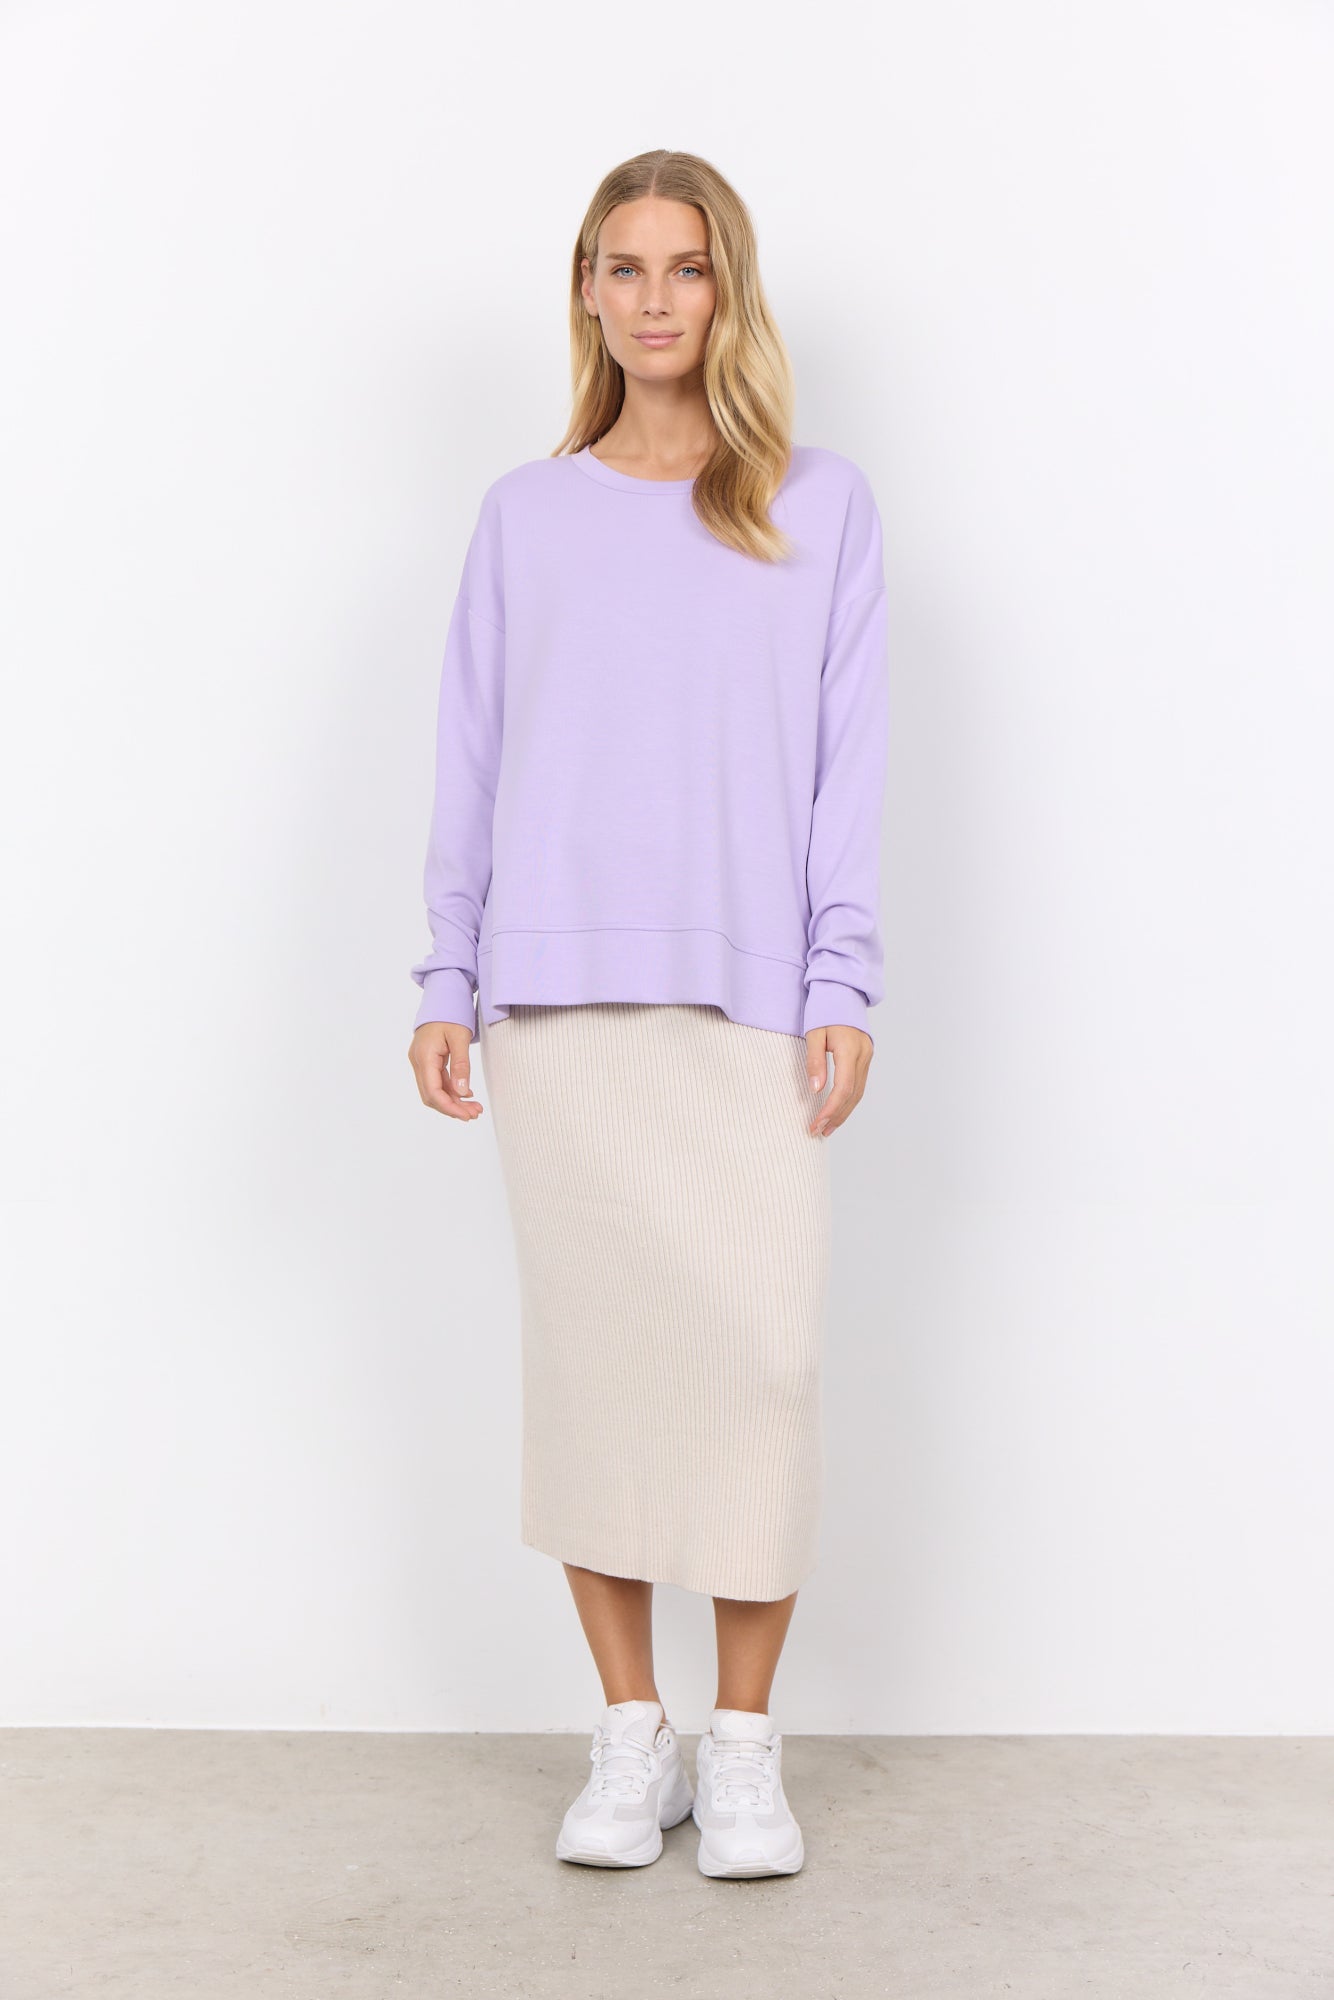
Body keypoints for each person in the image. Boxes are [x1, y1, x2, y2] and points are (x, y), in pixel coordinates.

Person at [407, 148, 889, 1880]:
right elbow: (470, 755)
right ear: (587, 293)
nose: (656, 298)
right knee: (596, 1376)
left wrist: (842, 979)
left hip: (748, 1005)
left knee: (763, 1365)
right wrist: (444, 974)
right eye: (624, 267)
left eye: (687, 267)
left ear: (727, 290)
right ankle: (634, 1734)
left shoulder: (817, 503)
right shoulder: (524, 515)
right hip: (556, 1007)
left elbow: (847, 768)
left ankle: (742, 1745)